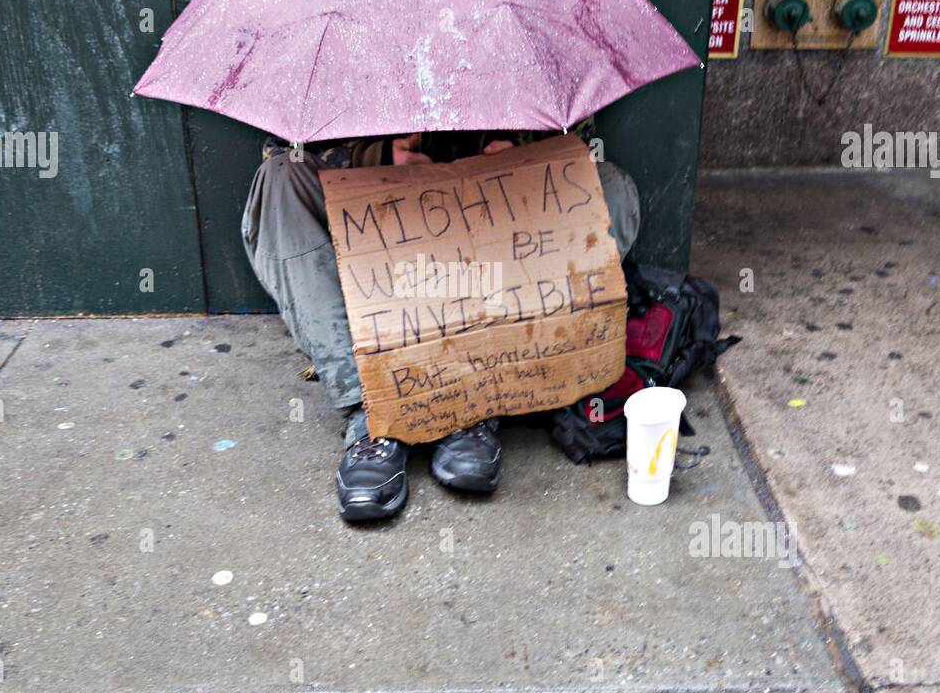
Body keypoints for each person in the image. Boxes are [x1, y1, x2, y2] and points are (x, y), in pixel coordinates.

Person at [241, 118, 641, 522]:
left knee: (610, 186)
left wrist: (526, 154)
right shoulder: (336, 58)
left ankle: (479, 397)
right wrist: (376, 159)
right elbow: (282, 151)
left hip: (493, 226)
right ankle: (374, 412)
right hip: (375, 225)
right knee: (279, 180)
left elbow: (580, 143)